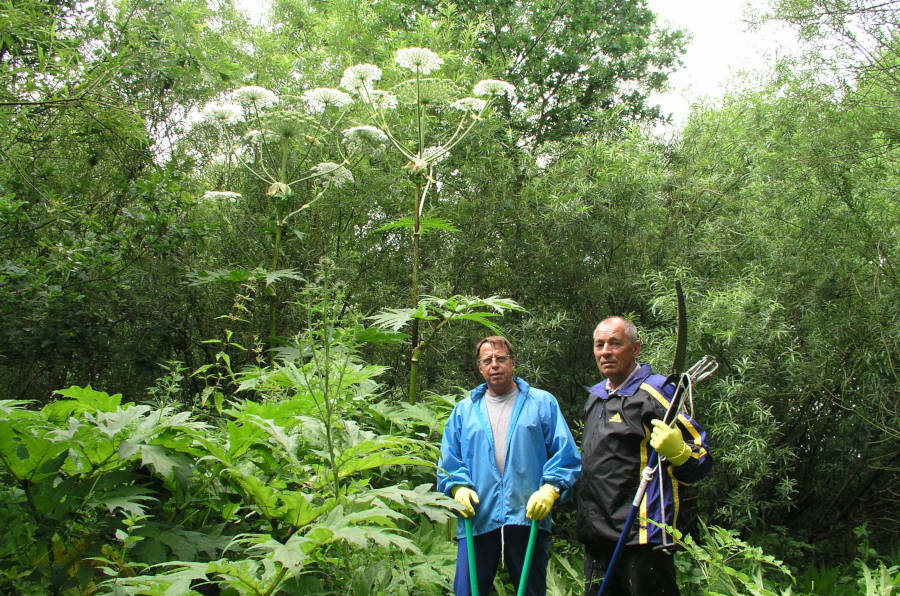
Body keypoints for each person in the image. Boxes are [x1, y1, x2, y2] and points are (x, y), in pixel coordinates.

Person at [577, 317, 712, 596]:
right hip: (598, 535)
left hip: (640, 536)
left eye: (615, 343)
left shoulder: (656, 391)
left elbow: (700, 459)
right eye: (599, 345)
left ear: (636, 348)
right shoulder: (596, 397)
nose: (605, 351)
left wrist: (680, 452)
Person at [438, 336, 582, 596]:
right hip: (477, 518)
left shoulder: (542, 403)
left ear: (513, 363)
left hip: (527, 517)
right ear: (480, 368)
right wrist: (458, 487)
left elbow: (566, 454)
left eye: (501, 358)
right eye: (487, 360)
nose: (494, 364)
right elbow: (448, 459)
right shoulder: (463, 410)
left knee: (531, 591)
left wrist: (551, 489)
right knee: (467, 591)